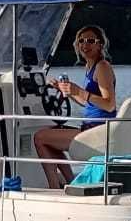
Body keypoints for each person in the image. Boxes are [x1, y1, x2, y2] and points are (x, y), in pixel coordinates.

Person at [33, 25, 117, 187]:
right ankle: (70, 183)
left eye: (91, 41)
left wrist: (78, 90)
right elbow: (88, 103)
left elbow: (109, 105)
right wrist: (67, 91)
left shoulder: (102, 67)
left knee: (40, 138)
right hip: (92, 127)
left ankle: (54, 187)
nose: (85, 45)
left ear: (100, 44)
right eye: (81, 41)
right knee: (50, 137)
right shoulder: (90, 67)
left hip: (96, 131)